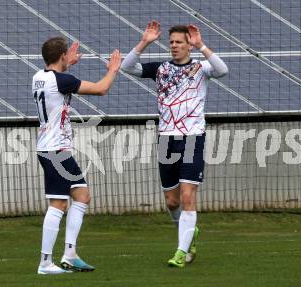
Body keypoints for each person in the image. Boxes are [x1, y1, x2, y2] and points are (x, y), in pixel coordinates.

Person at [121, 21, 228, 268]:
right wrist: (145, 41)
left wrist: (201, 44)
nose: (174, 46)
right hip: (166, 139)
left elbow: (223, 70)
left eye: (179, 42)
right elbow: (127, 67)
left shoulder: (202, 68)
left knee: (188, 195)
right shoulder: (161, 69)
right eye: (171, 42)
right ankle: (189, 235)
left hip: (192, 138)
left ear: (188, 44)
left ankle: (181, 252)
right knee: (172, 201)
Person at [33, 36, 121, 274]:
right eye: (66, 56)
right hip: (56, 151)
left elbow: (57, 77)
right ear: (62, 56)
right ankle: (45, 263)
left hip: (51, 148)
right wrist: (113, 69)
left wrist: (65, 63)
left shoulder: (38, 76)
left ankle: (70, 254)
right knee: (59, 204)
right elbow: (102, 89)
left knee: (81, 195)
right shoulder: (63, 80)